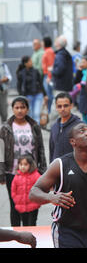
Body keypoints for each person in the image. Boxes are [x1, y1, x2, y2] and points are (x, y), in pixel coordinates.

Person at [29, 121, 87, 248]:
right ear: (73, 142)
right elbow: (33, 192)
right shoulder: (59, 165)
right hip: (66, 231)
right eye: (82, 131)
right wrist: (52, 197)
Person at [0, 96, 47, 226]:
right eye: (17, 107)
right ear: (12, 109)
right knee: (15, 204)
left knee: (32, 204)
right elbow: (1, 151)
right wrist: (1, 173)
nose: (20, 110)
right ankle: (16, 234)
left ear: (27, 109)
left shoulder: (34, 126)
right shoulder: (5, 128)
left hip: (32, 173)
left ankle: (30, 232)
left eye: (22, 107)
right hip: (13, 172)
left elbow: (41, 149)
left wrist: (43, 170)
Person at [49, 35, 74, 127]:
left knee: (57, 106)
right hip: (66, 84)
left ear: (58, 44)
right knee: (65, 105)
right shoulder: (66, 54)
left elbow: (60, 69)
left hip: (60, 85)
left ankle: (52, 126)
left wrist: (52, 70)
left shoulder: (60, 55)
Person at [49, 92, 81, 162]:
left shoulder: (79, 126)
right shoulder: (54, 127)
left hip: (74, 169)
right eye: (59, 106)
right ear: (56, 107)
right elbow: (52, 151)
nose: (62, 109)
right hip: (57, 169)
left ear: (71, 106)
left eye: (65, 106)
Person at [11, 154, 41, 226]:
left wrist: (38, 201)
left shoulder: (36, 175)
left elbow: (40, 188)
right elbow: (13, 190)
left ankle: (32, 236)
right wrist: (16, 199)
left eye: (25, 164)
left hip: (33, 205)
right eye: (21, 164)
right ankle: (25, 237)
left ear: (31, 165)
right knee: (25, 224)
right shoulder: (17, 176)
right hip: (21, 206)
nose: (23, 166)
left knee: (32, 224)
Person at [16, 56, 47, 124]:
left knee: (36, 113)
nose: (31, 62)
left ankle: (36, 131)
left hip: (38, 95)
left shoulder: (36, 71)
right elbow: (18, 86)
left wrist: (45, 95)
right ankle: (30, 130)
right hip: (28, 97)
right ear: (25, 63)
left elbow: (41, 84)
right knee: (30, 114)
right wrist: (22, 97)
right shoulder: (21, 73)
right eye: (30, 61)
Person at [42, 36, 55, 115]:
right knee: (48, 96)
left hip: (48, 76)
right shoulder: (47, 51)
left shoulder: (49, 51)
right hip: (46, 75)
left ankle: (51, 114)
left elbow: (50, 65)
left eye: (42, 42)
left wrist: (49, 77)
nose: (41, 43)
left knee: (49, 96)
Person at [0, 59, 12, 123]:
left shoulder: (3, 65)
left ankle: (3, 128)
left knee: (4, 111)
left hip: (2, 91)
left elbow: (9, 76)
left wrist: (6, 79)